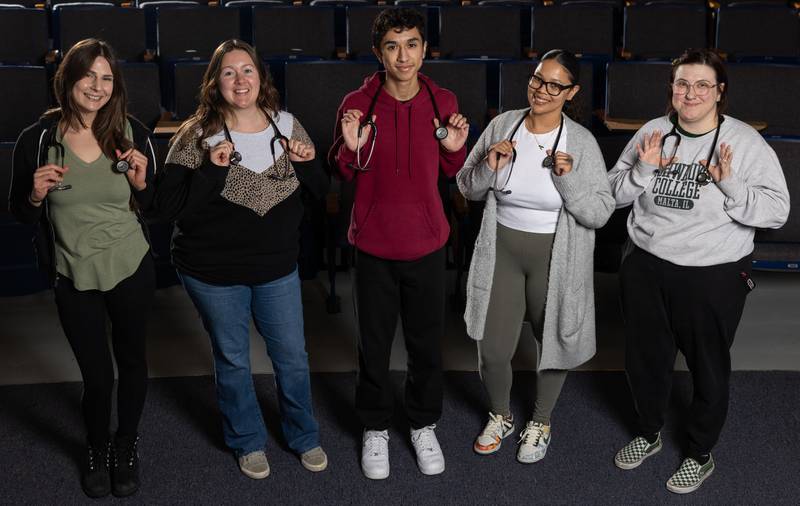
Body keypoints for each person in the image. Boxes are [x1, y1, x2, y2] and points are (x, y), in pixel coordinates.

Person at [608, 49, 790, 494]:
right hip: (646, 264)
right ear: (671, 88)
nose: (691, 94)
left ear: (719, 91)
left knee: (708, 367)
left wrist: (731, 185)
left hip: (712, 272)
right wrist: (642, 171)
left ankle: (699, 453)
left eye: (702, 85)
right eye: (682, 84)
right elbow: (610, 194)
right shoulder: (652, 132)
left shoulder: (744, 142)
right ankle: (649, 432)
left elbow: (777, 211)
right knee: (645, 360)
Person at [153, 39, 328, 480]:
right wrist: (212, 170)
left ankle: (303, 435)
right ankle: (247, 440)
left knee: (292, 357)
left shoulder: (287, 125)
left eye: (247, 70)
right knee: (233, 360)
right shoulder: (195, 134)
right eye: (228, 72)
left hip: (276, 268)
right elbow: (168, 209)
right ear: (215, 82)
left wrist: (308, 165)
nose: (240, 80)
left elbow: (321, 192)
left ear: (260, 77)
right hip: (213, 272)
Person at [8, 39, 157, 498]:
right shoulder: (37, 140)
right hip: (73, 273)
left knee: (132, 362)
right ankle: (97, 445)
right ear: (69, 79)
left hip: (130, 264)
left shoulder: (131, 133)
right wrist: (34, 195)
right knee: (97, 375)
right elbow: (20, 213)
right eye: (89, 75)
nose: (97, 86)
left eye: (107, 78)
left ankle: (125, 445)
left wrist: (142, 185)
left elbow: (156, 204)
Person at [327, 8, 468, 480]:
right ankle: (375, 427)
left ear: (424, 50)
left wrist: (455, 150)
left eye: (411, 45)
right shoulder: (357, 102)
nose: (403, 56)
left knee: (426, 345)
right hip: (374, 247)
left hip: (427, 245)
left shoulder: (443, 100)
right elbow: (341, 170)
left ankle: (423, 423)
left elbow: (451, 169)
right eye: (392, 46)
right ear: (378, 53)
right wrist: (349, 147)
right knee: (374, 345)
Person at [457, 49, 614, 464]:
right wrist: (489, 166)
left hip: (554, 255)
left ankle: (541, 421)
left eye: (555, 85)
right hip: (502, 249)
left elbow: (600, 212)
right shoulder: (502, 125)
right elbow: (467, 186)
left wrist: (569, 180)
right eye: (537, 79)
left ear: (571, 92)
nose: (542, 90)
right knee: (492, 349)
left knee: (554, 342)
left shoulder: (581, 141)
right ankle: (501, 415)